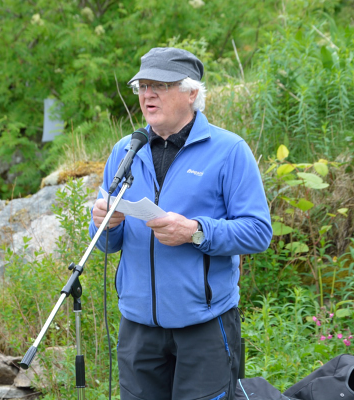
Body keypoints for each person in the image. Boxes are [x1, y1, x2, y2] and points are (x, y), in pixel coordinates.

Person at [89, 47, 272, 400]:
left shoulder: (229, 150)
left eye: (160, 85)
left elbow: (258, 232)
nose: (148, 95)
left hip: (204, 325)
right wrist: (104, 225)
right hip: (138, 327)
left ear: (192, 93)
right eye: (142, 86)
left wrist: (196, 232)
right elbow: (106, 245)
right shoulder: (126, 151)